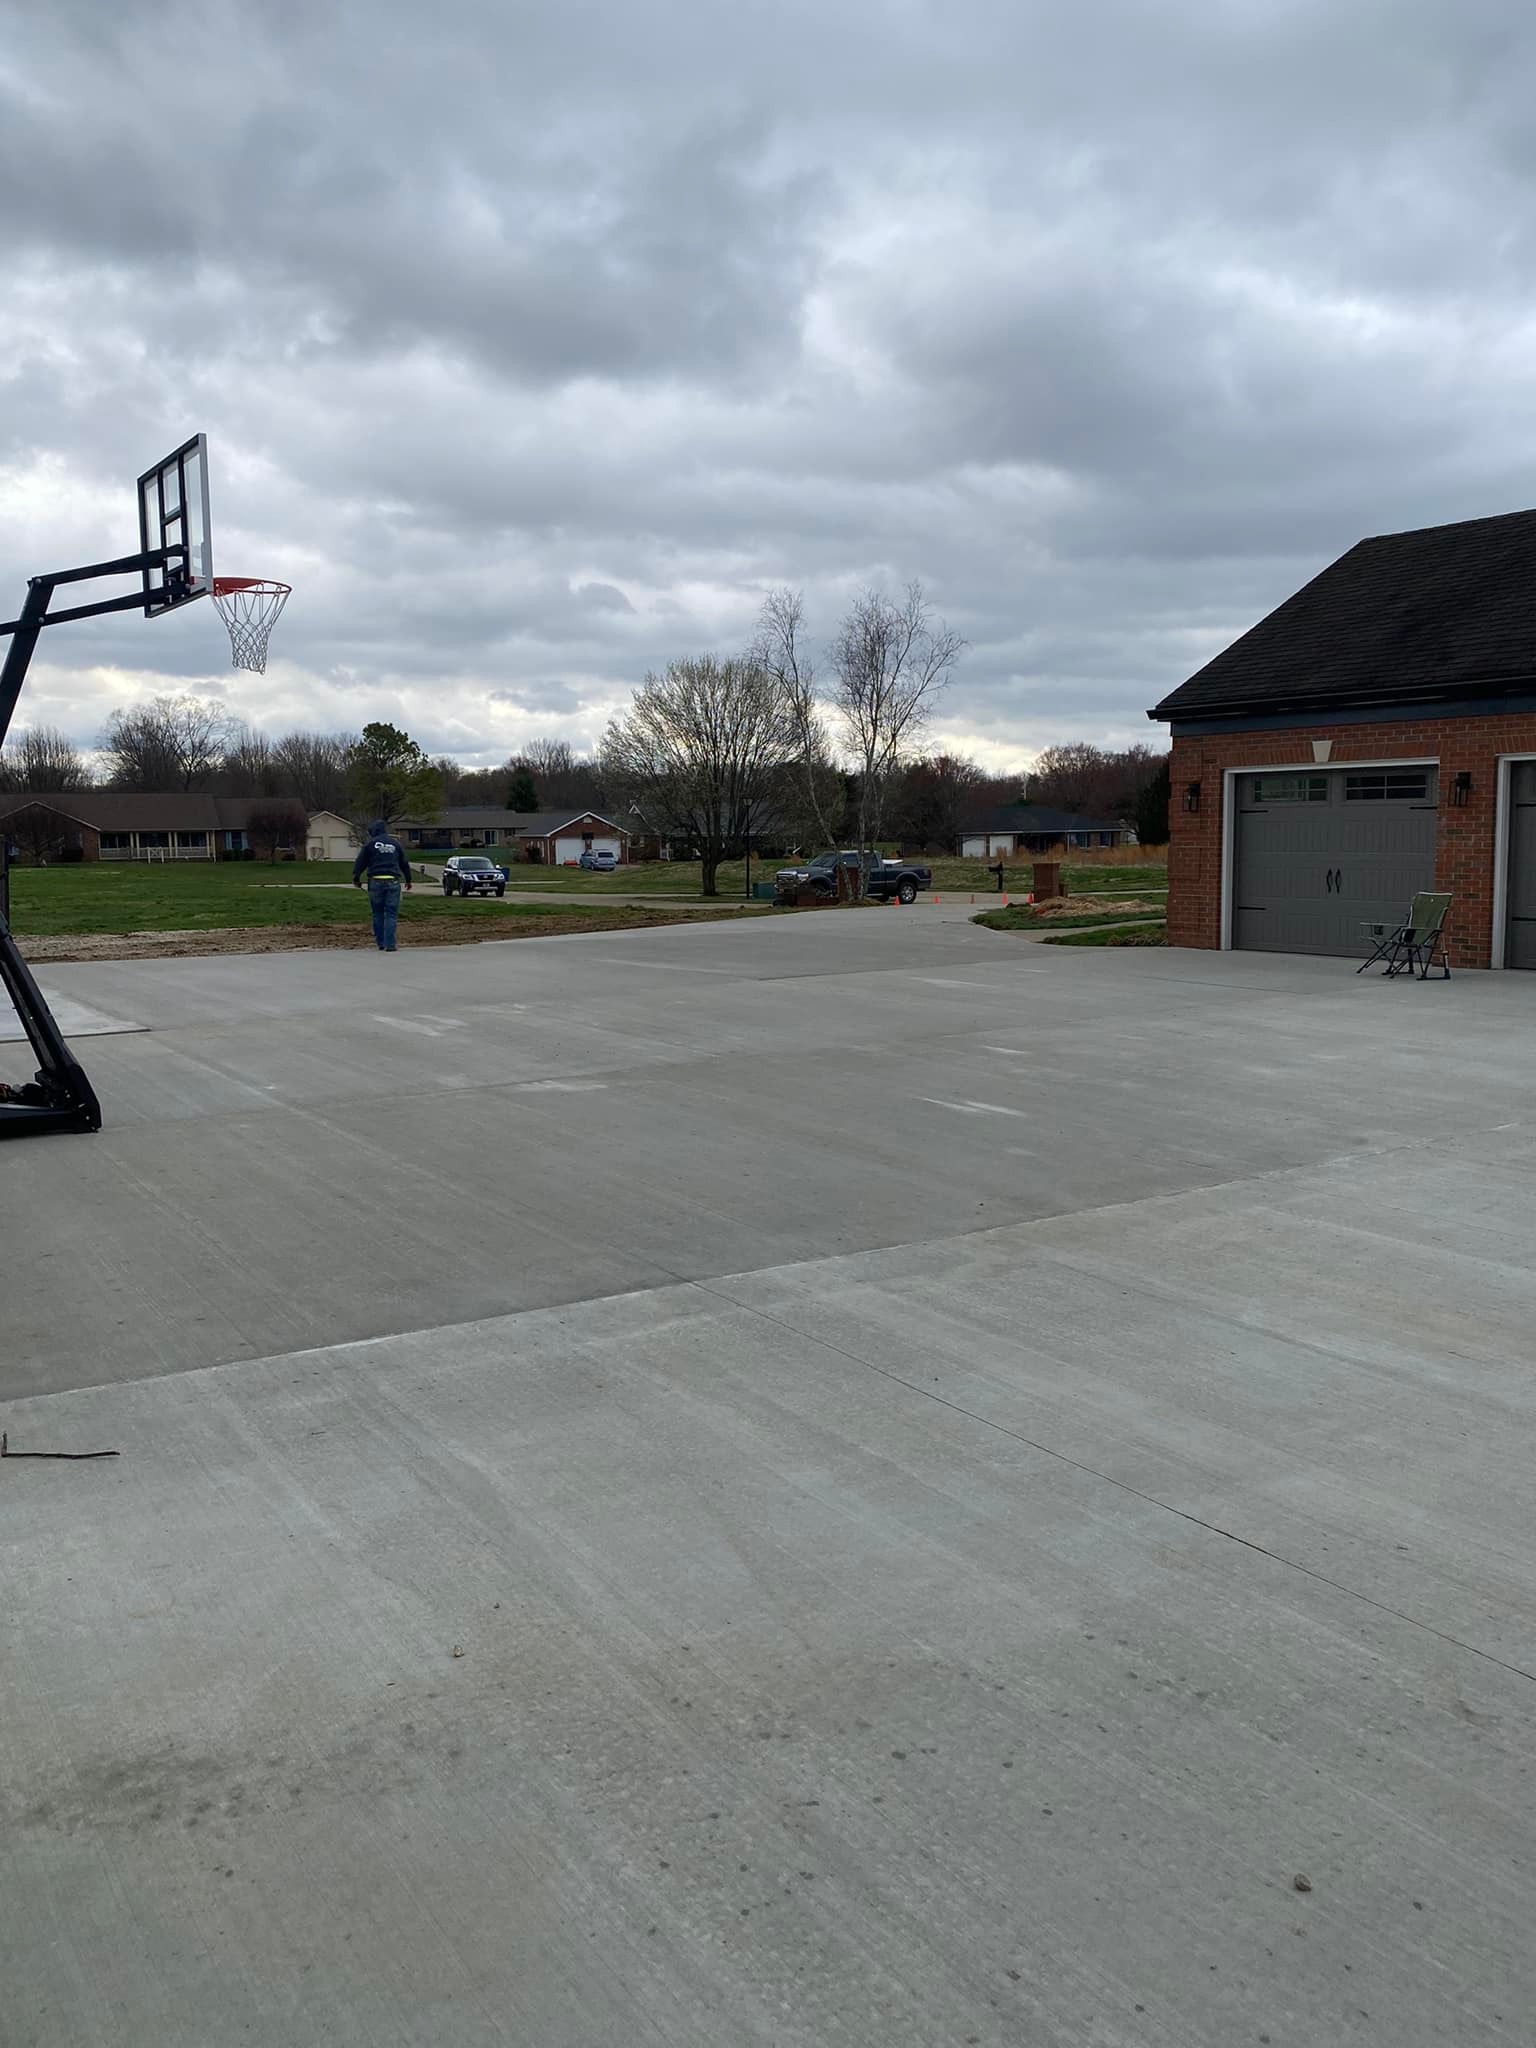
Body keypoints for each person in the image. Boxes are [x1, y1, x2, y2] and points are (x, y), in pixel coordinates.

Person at [352, 819, 414, 950]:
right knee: (391, 914)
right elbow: (404, 863)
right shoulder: (395, 844)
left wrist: (356, 878)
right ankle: (390, 944)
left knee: (378, 913)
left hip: (375, 881)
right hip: (393, 880)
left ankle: (381, 943)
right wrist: (408, 879)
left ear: (373, 832)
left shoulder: (370, 844)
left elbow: (360, 863)